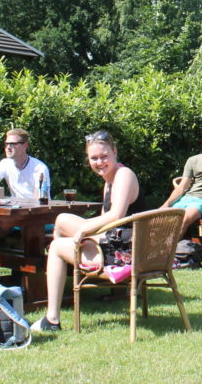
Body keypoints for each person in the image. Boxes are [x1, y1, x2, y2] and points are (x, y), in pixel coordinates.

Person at [32, 131, 148, 332]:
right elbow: (106, 222)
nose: (99, 162)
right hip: (118, 241)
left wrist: (84, 229)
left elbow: (116, 215)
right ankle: (65, 270)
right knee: (61, 220)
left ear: (115, 152)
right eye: (94, 158)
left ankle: (52, 318)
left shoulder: (124, 175)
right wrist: (88, 234)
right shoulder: (110, 180)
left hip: (126, 254)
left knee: (56, 247)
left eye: (104, 157)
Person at [0, 128, 51, 242]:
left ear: (25, 146)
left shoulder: (39, 168)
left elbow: (38, 201)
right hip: (15, 213)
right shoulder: (5, 164)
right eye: (6, 143)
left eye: (13, 144)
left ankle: (27, 259)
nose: (8, 147)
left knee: (21, 225)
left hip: (38, 215)